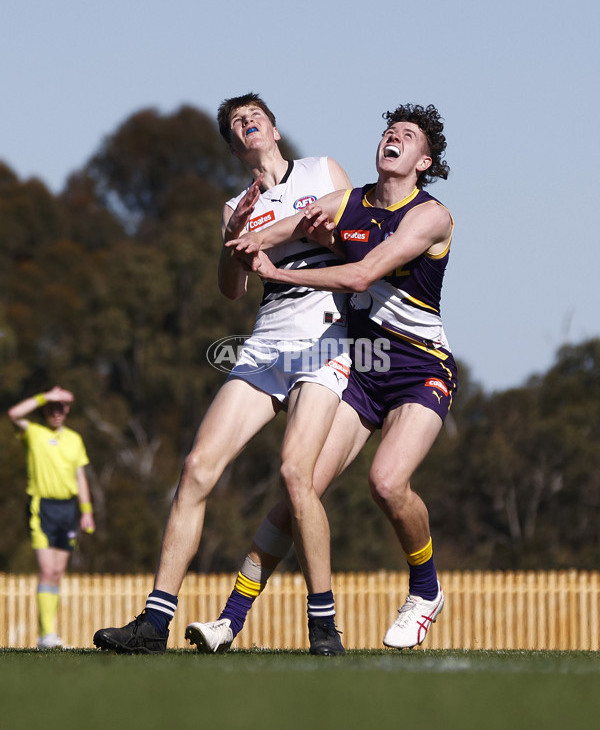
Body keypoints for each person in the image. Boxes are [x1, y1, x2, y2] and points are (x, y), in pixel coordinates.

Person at [93, 93, 353, 656]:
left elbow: (360, 243)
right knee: (196, 467)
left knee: (294, 474)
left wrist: (302, 233)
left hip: (325, 335)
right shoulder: (236, 204)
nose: (246, 122)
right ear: (235, 146)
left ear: (275, 128)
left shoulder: (322, 170)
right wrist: (235, 239)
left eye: (253, 114)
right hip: (267, 340)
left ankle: (324, 623)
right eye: (235, 122)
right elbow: (231, 289)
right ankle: (154, 623)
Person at [201, 102, 456, 652]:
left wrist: (276, 270)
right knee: (300, 490)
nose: (394, 136)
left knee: (386, 482)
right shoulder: (350, 200)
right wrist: (248, 241)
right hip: (364, 368)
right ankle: (230, 619)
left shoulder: (430, 215)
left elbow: (364, 272)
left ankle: (425, 589)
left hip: (417, 368)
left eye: (408, 135)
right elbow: (292, 222)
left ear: (424, 160)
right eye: (390, 129)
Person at [7, 385, 95, 649]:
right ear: (45, 410)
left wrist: (86, 511)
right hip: (42, 507)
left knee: (57, 572)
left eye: (60, 408)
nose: (56, 412)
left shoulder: (75, 439)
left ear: (67, 411)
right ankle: (45, 635)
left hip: (68, 510)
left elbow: (80, 477)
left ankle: (51, 634)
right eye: (51, 408)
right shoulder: (33, 433)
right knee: (46, 570)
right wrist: (47, 396)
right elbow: (14, 413)